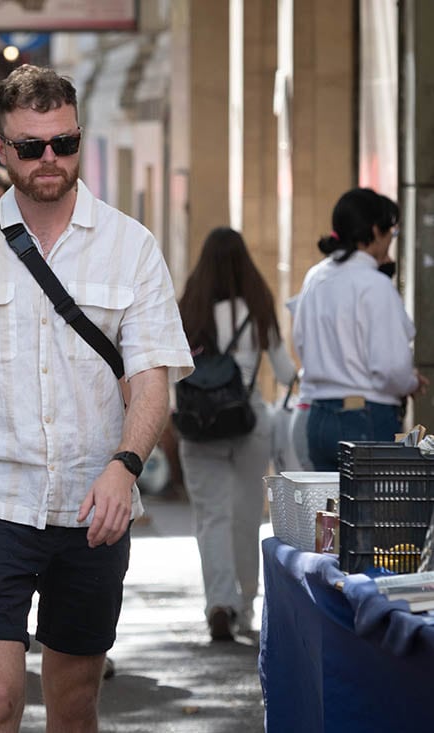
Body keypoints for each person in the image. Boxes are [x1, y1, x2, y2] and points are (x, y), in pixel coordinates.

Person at [0, 64, 193, 733]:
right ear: (1, 148)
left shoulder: (131, 246)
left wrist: (126, 464)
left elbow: (150, 380)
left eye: (65, 142)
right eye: (32, 146)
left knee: (74, 704)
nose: (50, 158)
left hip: (93, 507)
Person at [177, 227, 297, 640]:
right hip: (249, 422)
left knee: (210, 518)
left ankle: (219, 603)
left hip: (198, 425)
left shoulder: (187, 308)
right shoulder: (258, 306)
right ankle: (245, 607)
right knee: (246, 518)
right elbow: (284, 373)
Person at [292, 188, 427, 471]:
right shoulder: (374, 285)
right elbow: (390, 369)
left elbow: (300, 342)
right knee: (373, 513)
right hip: (366, 419)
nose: (391, 239)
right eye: (391, 231)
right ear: (376, 231)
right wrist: (411, 382)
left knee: (329, 513)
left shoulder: (315, 278)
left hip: (318, 417)